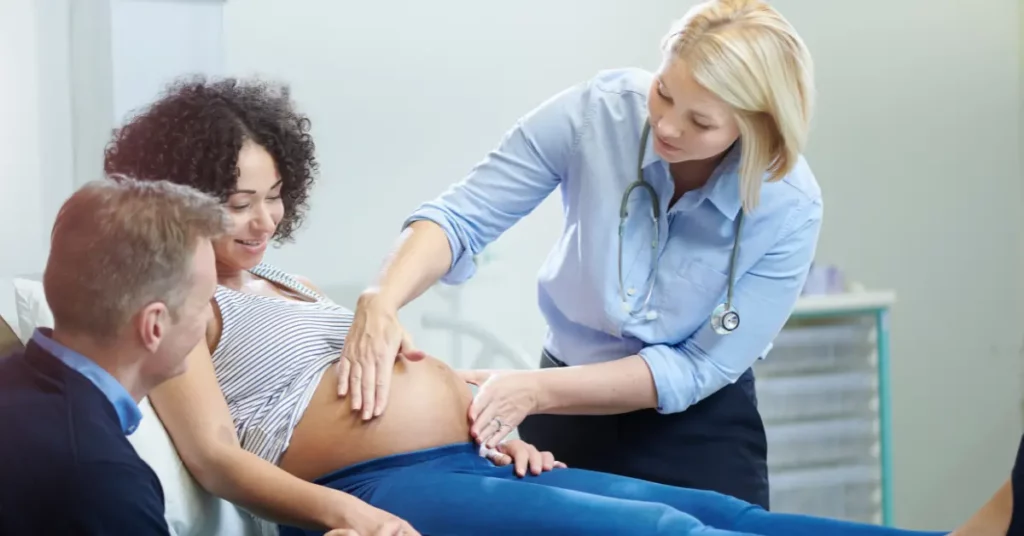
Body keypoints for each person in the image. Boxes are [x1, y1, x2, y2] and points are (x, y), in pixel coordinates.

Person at [100, 74, 969, 536]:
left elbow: (377, 384)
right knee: (666, 531)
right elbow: (215, 457)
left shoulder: (289, 286)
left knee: (722, 516)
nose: (265, 221)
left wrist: (489, 426)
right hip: (376, 487)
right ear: (180, 196)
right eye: (237, 203)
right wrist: (346, 514)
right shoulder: (180, 306)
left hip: (476, 459)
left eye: (274, 196)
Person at [341, 0, 818, 507]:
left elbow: (698, 365)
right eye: (663, 92)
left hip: (697, 430)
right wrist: (382, 298)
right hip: (562, 417)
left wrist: (536, 390)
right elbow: (462, 217)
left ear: (756, 126)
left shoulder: (790, 208)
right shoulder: (599, 113)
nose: (667, 127)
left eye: (700, 122)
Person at [0, 178, 228, 535]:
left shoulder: (13, 385)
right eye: (202, 305)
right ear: (154, 326)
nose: (207, 320)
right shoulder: (105, 483)